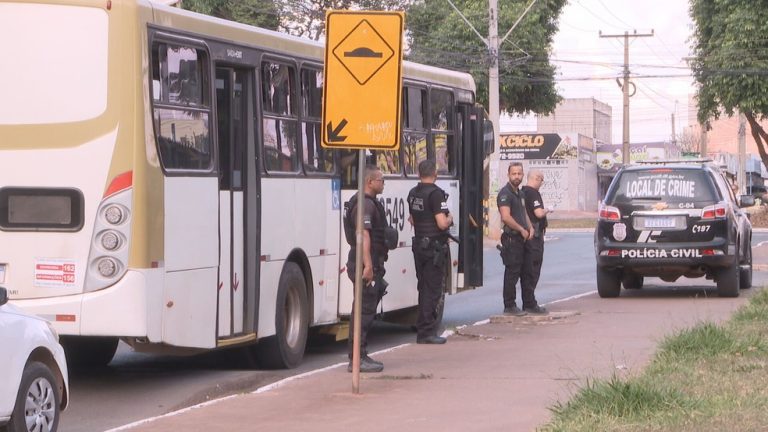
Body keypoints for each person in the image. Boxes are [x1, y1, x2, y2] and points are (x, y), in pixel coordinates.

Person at [343, 165, 389, 373]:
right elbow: (363, 235)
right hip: (364, 263)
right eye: (380, 179)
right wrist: (368, 265)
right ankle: (357, 358)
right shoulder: (365, 205)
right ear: (370, 182)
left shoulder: (365, 203)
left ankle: (357, 356)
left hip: (365, 261)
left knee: (363, 309)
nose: (383, 183)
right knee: (364, 311)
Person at [407, 160, 453, 344]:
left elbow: (412, 219)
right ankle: (427, 332)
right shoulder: (436, 194)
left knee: (423, 287)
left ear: (419, 173)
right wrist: (450, 218)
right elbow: (442, 223)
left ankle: (423, 328)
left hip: (419, 246)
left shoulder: (413, 193)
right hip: (433, 248)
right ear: (435, 173)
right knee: (433, 290)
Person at [497, 162, 534, 316]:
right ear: (508, 175)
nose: (517, 176)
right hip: (512, 238)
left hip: (523, 238)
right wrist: (520, 229)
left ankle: (529, 304)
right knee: (512, 273)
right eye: (514, 173)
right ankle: (509, 305)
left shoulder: (520, 193)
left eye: (519, 173)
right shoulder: (505, 193)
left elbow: (524, 212)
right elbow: (505, 217)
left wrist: (530, 227)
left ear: (523, 175)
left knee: (527, 272)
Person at [520, 170, 551, 315]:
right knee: (533, 270)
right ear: (537, 179)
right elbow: (538, 213)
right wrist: (548, 210)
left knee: (527, 270)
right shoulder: (532, 193)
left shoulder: (522, 192)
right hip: (534, 237)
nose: (542, 183)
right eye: (542, 180)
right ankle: (530, 303)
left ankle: (528, 301)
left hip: (527, 236)